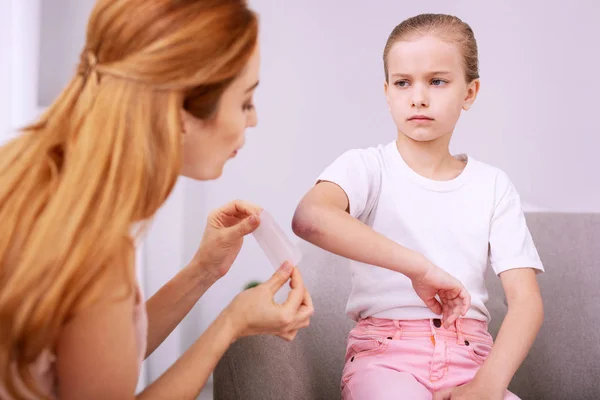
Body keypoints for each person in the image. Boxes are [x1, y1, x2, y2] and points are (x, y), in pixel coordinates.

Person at [0, 1, 313, 399]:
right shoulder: (94, 247)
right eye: (245, 102)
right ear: (179, 111)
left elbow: (94, 356)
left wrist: (203, 270)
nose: (252, 120)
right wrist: (229, 325)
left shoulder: (33, 174)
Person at [292, 13, 544, 400]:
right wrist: (420, 268)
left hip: (472, 360)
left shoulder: (493, 185)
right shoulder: (366, 168)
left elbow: (526, 302)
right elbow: (310, 218)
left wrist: (486, 387)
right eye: (403, 82)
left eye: (437, 81)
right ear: (387, 91)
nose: (419, 96)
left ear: (470, 92)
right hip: (385, 357)